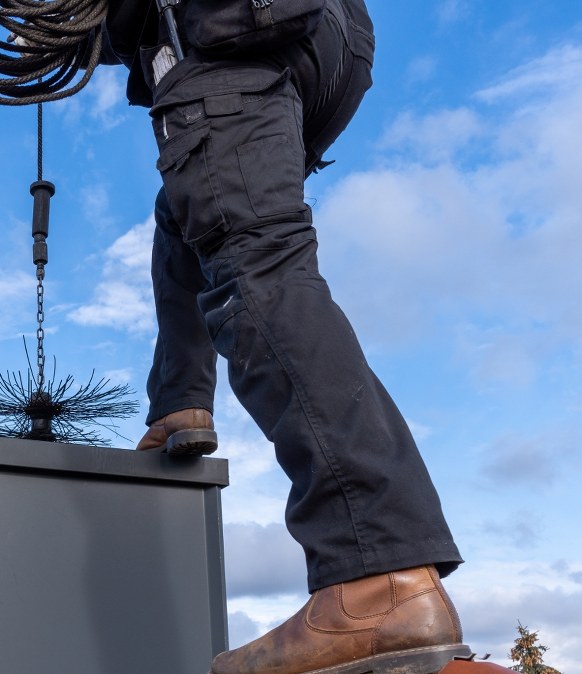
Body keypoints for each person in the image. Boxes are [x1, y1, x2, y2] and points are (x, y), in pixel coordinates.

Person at [102, 2, 469, 673]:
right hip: (327, 38)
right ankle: (180, 399)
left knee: (254, 262)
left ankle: (378, 578)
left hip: (220, 26)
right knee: (190, 206)